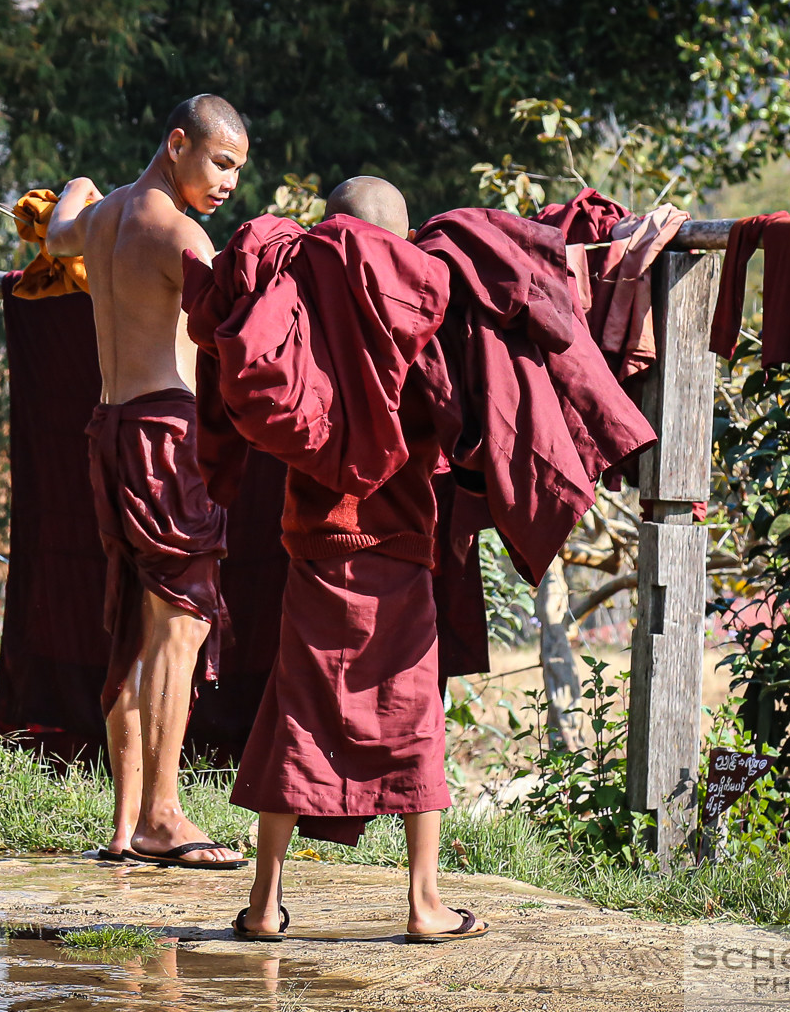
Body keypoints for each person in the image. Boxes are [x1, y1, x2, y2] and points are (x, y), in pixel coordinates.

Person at [184, 176, 489, 940]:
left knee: (298, 716)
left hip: (318, 539)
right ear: (397, 237)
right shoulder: (422, 305)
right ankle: (424, 904)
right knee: (414, 716)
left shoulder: (298, 302)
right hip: (398, 544)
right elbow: (454, 413)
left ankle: (263, 904)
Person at [44, 94, 249, 868]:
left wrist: (81, 183)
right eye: (221, 162)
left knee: (136, 619)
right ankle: (164, 813)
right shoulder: (180, 234)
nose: (230, 182)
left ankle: (126, 824)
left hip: (111, 430)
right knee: (183, 620)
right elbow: (239, 307)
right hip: (165, 437)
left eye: (238, 170)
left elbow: (58, 229)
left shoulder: (100, 221)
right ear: (177, 144)